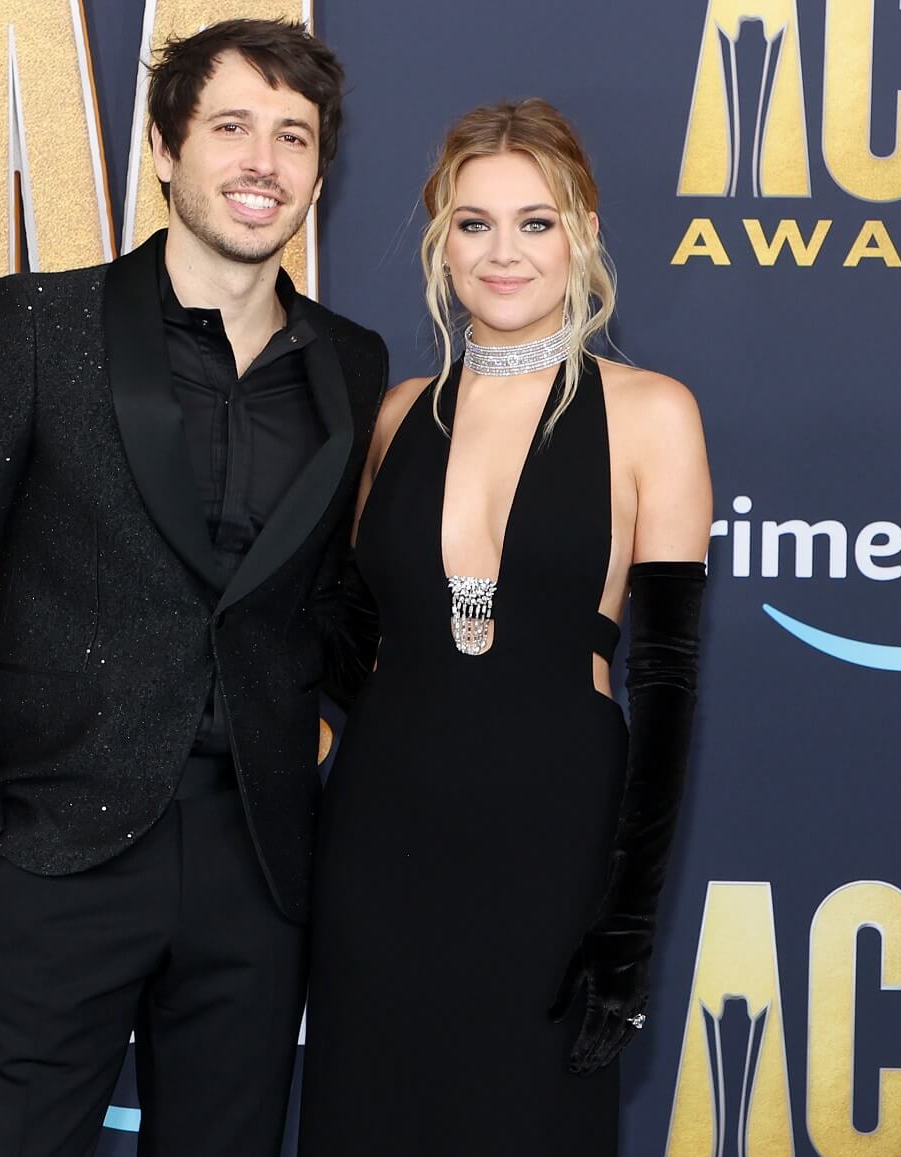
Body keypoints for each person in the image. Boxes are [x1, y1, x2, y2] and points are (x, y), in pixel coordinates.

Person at [0, 18, 387, 1157]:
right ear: (163, 150)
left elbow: (328, 603)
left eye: (292, 137)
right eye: (232, 127)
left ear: (317, 172)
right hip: (58, 853)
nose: (263, 161)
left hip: (257, 859)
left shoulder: (351, 363)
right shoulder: (37, 328)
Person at [299, 99, 711, 1155]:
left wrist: (626, 924)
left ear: (582, 229)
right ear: (440, 240)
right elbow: (342, 640)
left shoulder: (652, 412)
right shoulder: (393, 415)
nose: (503, 251)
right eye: (473, 222)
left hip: (549, 841)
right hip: (380, 839)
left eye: (535, 220)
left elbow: (664, 684)